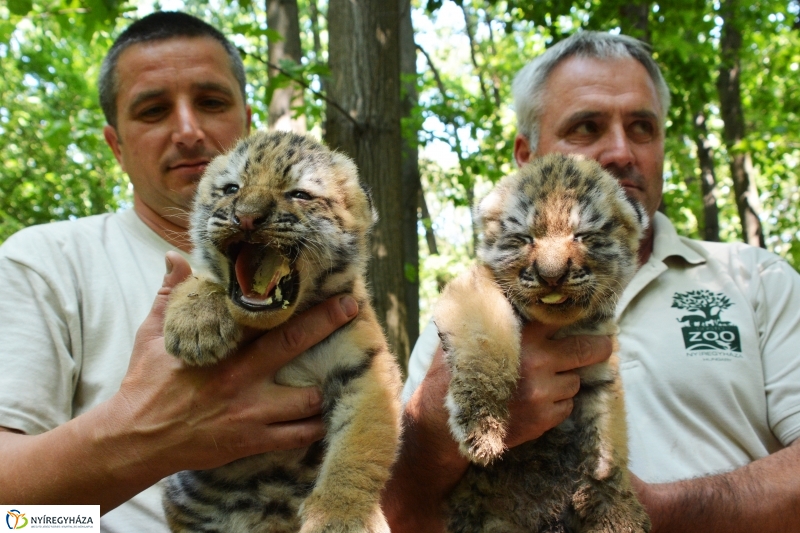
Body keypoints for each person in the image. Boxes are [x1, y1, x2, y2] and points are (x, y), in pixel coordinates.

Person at [383, 31, 800, 532]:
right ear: (526, 156)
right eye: (587, 126)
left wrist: (647, 513)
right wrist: (433, 426)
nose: (621, 151)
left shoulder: (757, 280)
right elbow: (397, 516)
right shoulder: (463, 317)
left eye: (642, 127)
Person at [0, 12, 358, 532]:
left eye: (211, 103)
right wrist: (145, 443)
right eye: (152, 110)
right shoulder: (46, 260)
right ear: (115, 145)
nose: (189, 131)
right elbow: (9, 518)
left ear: (247, 122)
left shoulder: (319, 263)